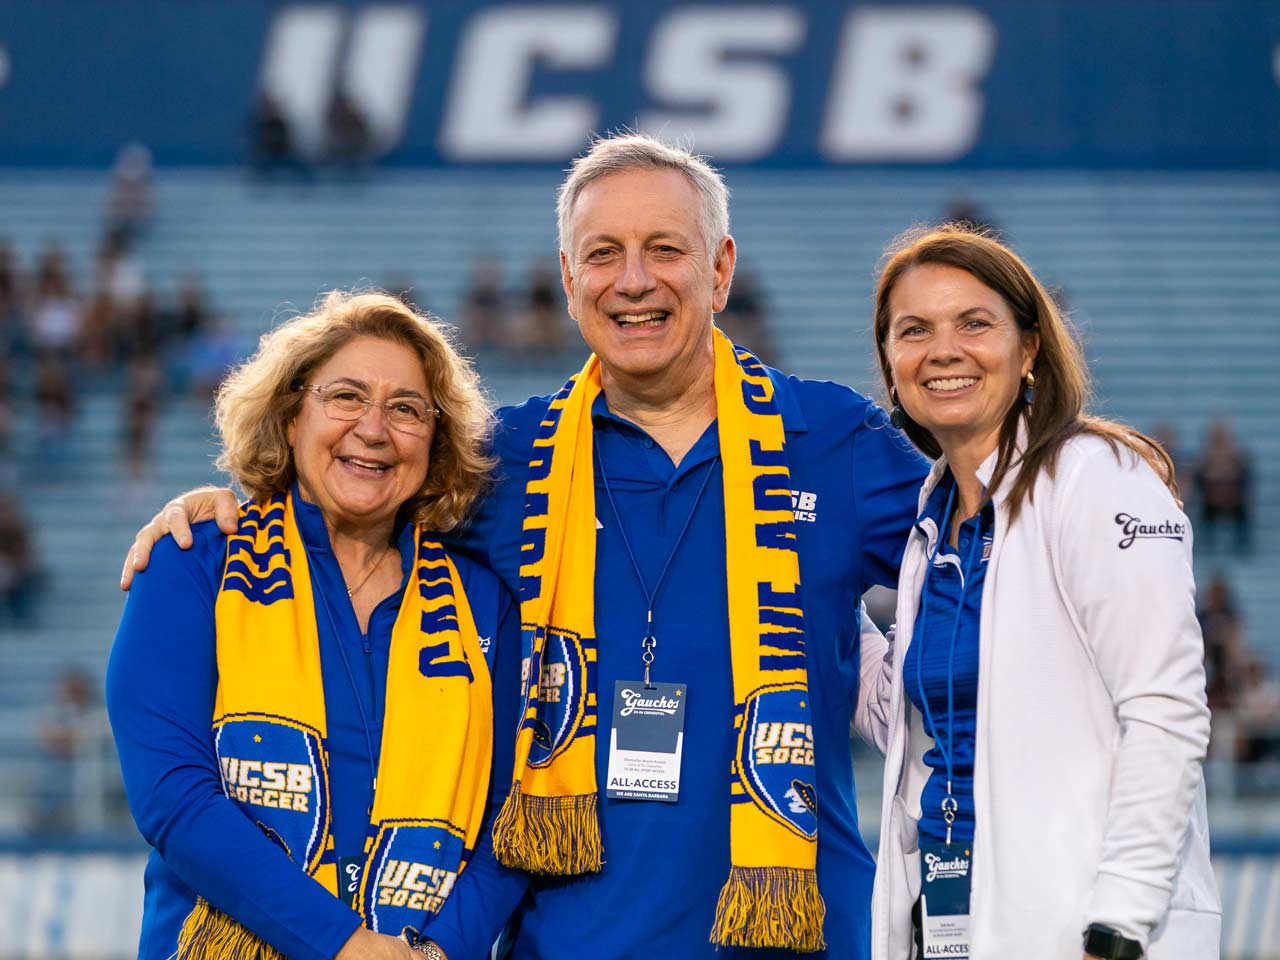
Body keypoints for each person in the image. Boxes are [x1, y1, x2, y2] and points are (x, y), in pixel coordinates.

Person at [120, 134, 928, 959]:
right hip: (567, 941)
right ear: (570, 282)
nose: (634, 280)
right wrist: (229, 503)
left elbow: (992, 552)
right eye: (603, 254)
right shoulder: (505, 460)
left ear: (720, 269)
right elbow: (351, 496)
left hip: (793, 936)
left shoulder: (836, 440)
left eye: (664, 250)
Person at [107, 291, 525, 960]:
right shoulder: (193, 561)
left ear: (436, 440)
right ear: (292, 413)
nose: (374, 429)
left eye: (407, 409)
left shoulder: (485, 604)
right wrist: (344, 945)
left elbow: (510, 820)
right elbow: (174, 798)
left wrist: (438, 952)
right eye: (347, 397)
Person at [862, 225, 1219, 959]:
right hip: (952, 926)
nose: (944, 349)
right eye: (914, 330)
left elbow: (1165, 708)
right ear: (892, 365)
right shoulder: (932, 521)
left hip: (1084, 933)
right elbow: (909, 717)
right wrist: (810, 600)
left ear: (1028, 350)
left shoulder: (1094, 476)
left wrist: (1120, 923)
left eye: (974, 323)